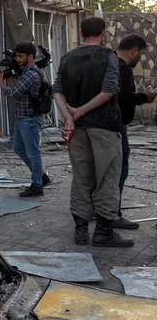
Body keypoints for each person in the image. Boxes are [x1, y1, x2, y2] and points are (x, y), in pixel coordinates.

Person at [53, 17, 132, 247]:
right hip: (104, 127)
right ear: (104, 33)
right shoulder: (109, 56)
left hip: (78, 130)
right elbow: (108, 91)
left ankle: (80, 232)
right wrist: (78, 113)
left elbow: (57, 90)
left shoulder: (68, 57)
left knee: (81, 178)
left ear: (81, 32)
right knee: (107, 177)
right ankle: (103, 233)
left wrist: (69, 117)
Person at [0, 42, 51, 197]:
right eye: (17, 56)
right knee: (18, 148)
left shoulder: (31, 74)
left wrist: (0, 83)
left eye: (21, 56)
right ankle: (41, 176)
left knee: (33, 153)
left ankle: (37, 185)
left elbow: (13, 94)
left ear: (31, 57)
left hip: (30, 119)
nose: (17, 59)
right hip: (22, 117)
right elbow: (18, 89)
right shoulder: (25, 72)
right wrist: (11, 77)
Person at [112, 34, 155, 229]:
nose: (140, 59)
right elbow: (123, 97)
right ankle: (113, 214)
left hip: (102, 124)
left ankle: (101, 210)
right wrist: (144, 97)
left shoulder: (108, 62)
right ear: (134, 51)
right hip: (117, 125)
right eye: (141, 53)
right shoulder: (124, 69)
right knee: (119, 171)